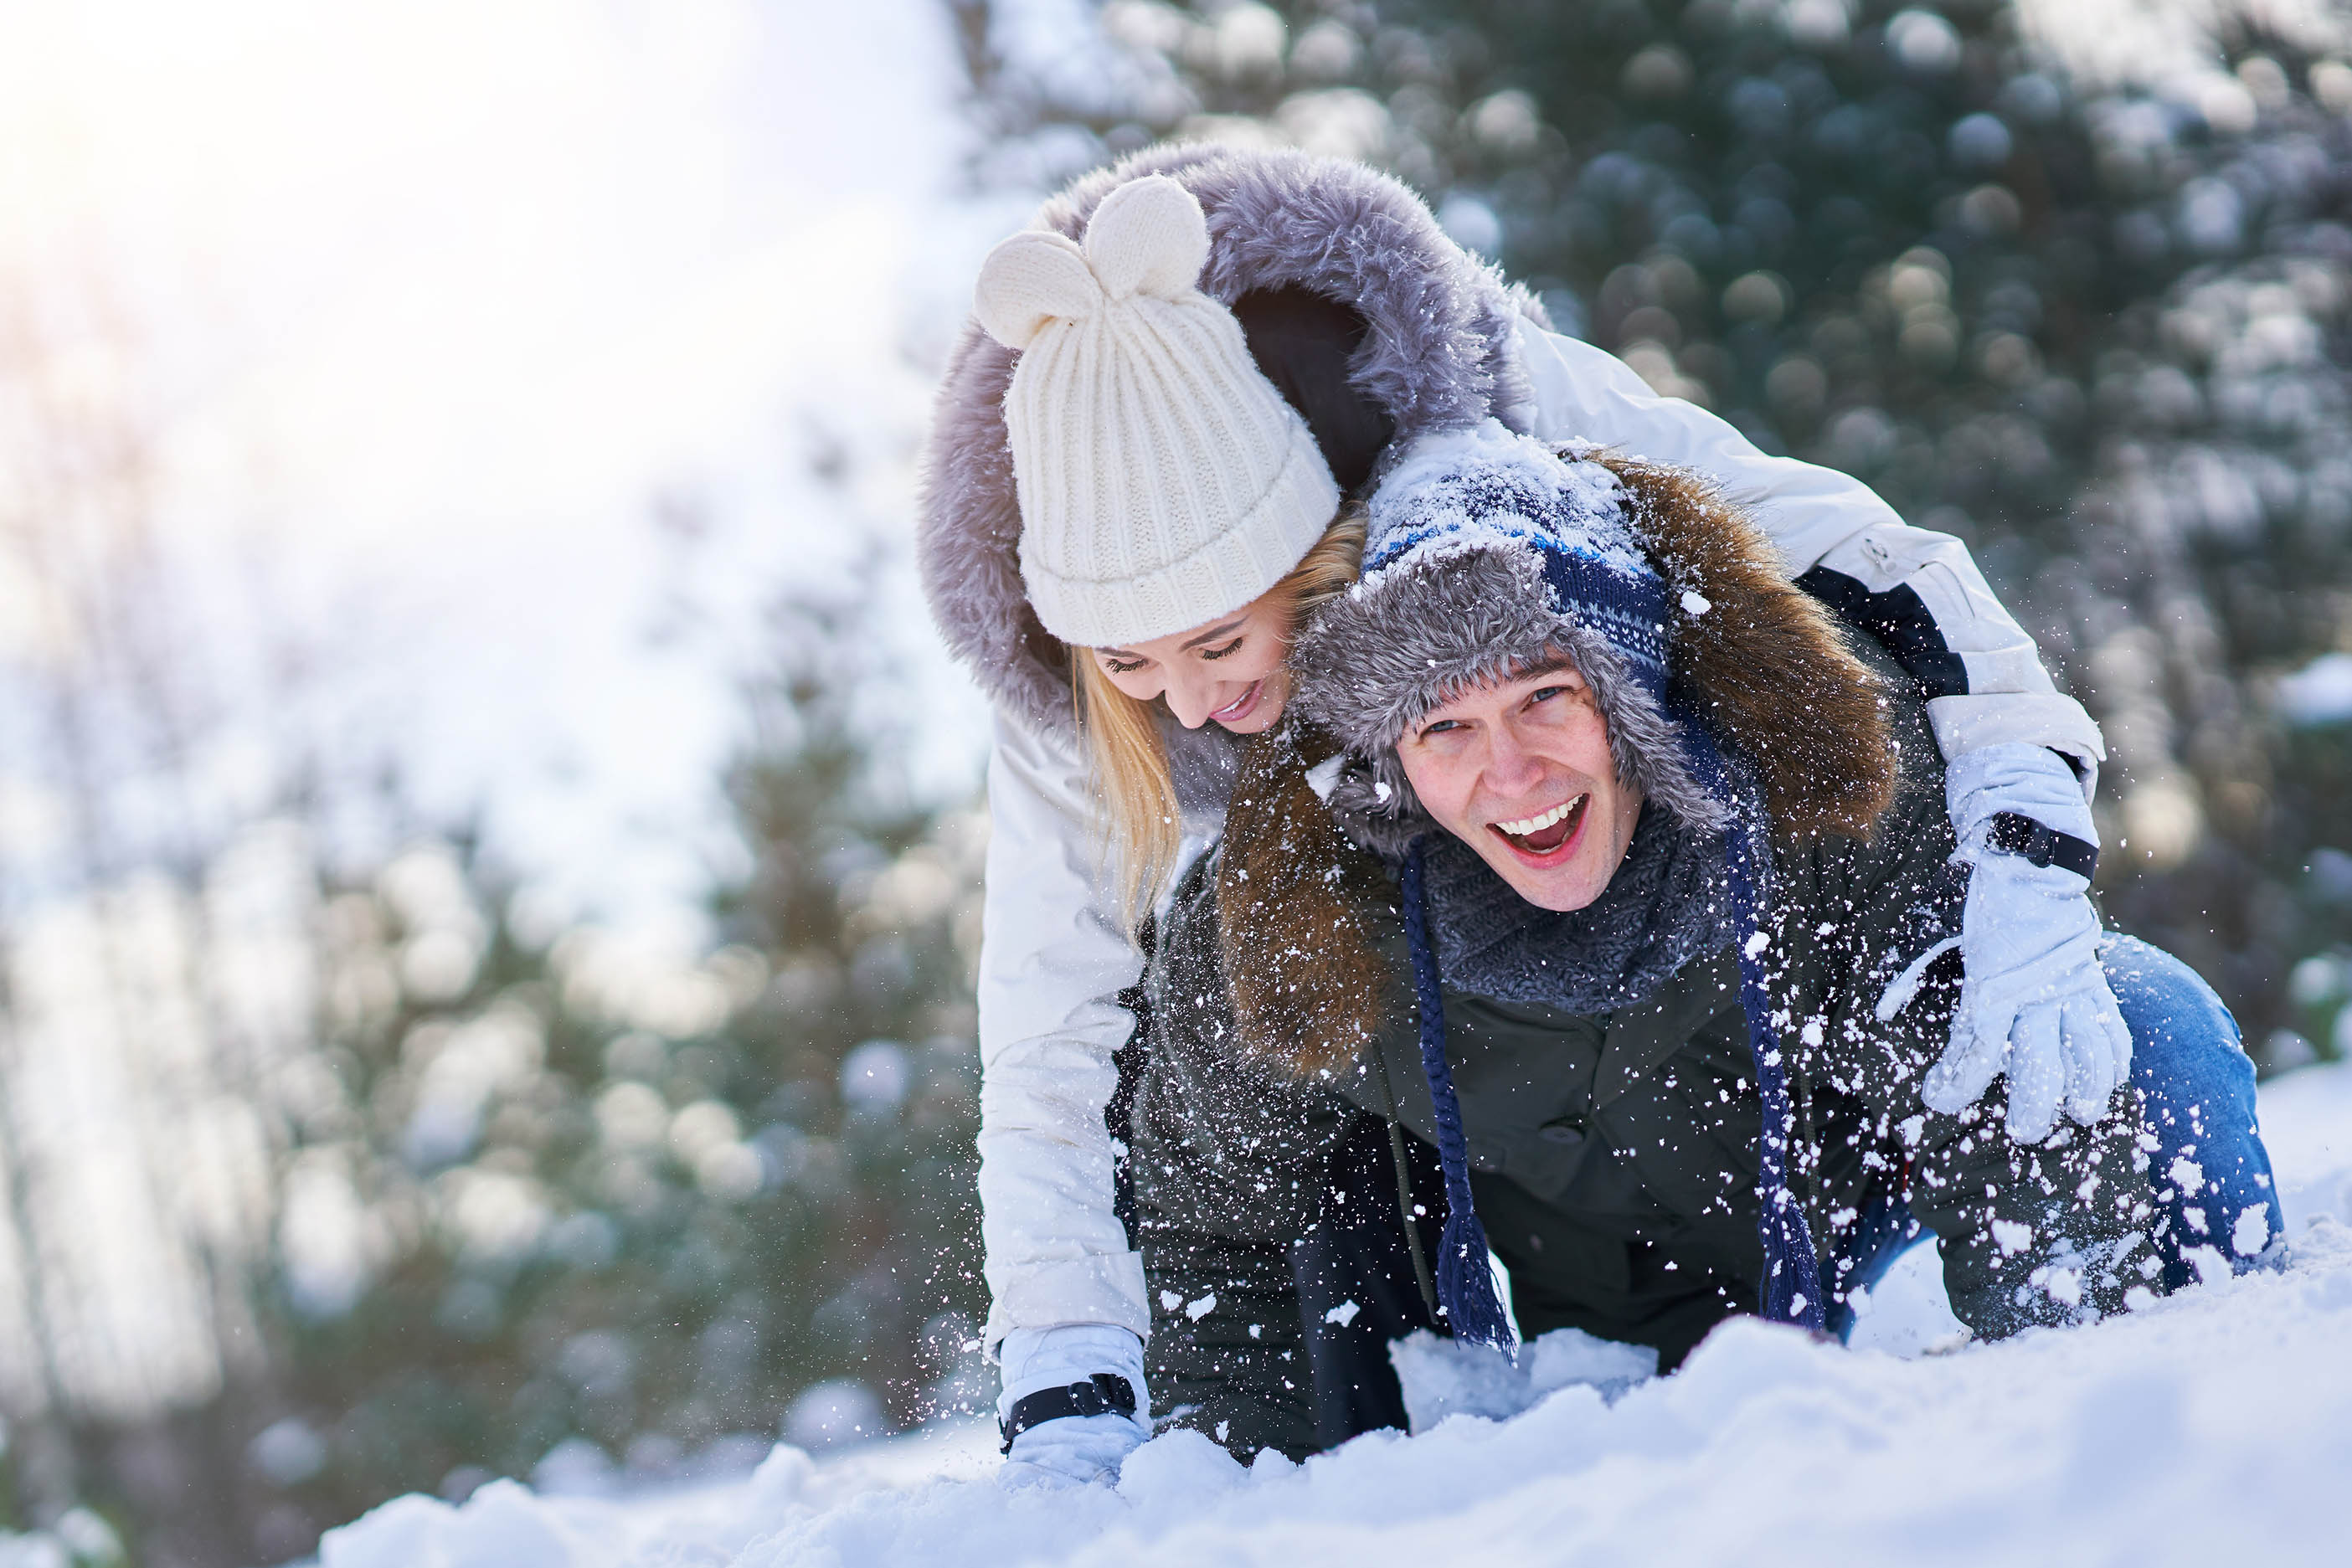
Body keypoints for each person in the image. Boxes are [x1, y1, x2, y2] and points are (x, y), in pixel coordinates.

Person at [915, 147, 2233, 1483]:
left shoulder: (1506, 427)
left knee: (2127, 1028)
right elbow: (1049, 1033)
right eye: (1132, 666)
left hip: (1758, 1063)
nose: (1187, 707)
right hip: (1504, 1159)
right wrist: (1064, 1370)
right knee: (1253, 1072)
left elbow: (1873, 564)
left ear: (1308, 543)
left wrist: (2020, 857)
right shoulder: (1088, 669)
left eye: (1212, 640)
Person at [1111, 423, 2282, 1456]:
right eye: (1443, 725)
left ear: (1628, 688)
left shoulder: (1816, 777)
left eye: (1544, 697)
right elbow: (1215, 1224)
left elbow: (1993, 1075)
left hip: (1841, 1199)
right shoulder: (1296, 909)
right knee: (1307, 1208)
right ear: (1388, 756)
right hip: (1576, 1294)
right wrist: (1251, 1500)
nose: (1509, 772)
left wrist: (2059, 1428)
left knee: (2131, 1024)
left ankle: (2196, 1398)